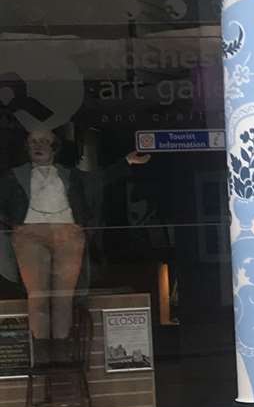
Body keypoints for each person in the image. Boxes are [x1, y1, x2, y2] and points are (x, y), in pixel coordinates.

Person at [0, 129, 147, 365]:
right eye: (33, 142)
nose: (38, 146)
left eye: (44, 142)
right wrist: (12, 225)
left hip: (68, 233)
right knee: (37, 295)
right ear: (27, 148)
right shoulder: (14, 176)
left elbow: (98, 179)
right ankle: (40, 353)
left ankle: (60, 351)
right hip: (30, 235)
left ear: (54, 148)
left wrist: (126, 162)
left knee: (63, 296)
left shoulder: (70, 176)